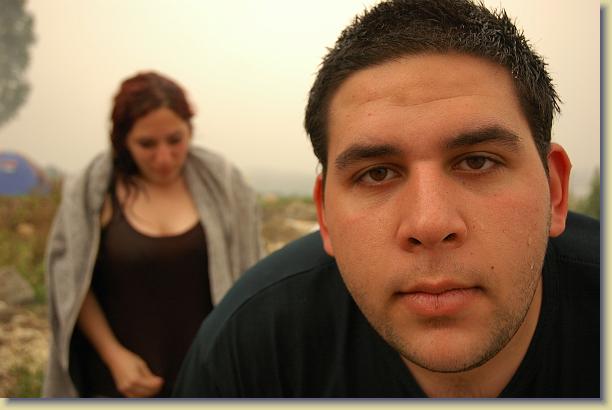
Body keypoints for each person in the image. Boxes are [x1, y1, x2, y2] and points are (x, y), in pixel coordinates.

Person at [172, 0, 600, 398]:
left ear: (555, 191)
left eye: (478, 162)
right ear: (324, 215)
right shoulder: (250, 348)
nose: (429, 224)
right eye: (377, 173)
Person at [43, 71, 263, 397]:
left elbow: (251, 274)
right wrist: (113, 355)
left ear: (190, 130)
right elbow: (71, 282)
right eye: (147, 144)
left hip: (206, 377)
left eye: (175, 140)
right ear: (122, 140)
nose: (163, 158)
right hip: (120, 384)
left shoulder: (225, 185)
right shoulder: (92, 192)